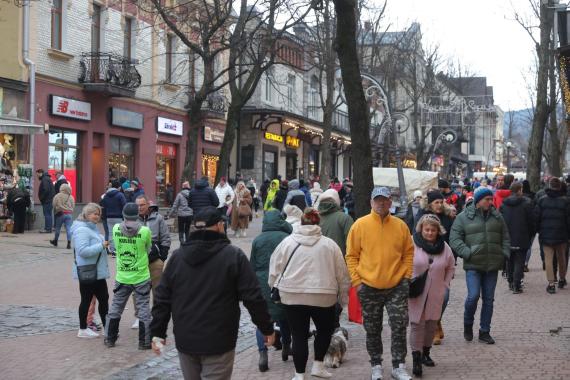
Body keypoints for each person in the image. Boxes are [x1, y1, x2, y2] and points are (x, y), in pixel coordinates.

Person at [150, 206, 275, 379]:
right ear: (219, 226)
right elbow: (253, 297)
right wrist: (266, 328)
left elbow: (162, 298)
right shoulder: (233, 256)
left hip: (187, 338)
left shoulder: (177, 257)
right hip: (219, 340)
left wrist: (157, 332)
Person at [269, 208, 351, 380]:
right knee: (324, 331)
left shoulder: (287, 243)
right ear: (318, 223)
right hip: (324, 297)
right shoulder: (330, 245)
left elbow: (274, 270)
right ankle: (318, 365)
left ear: (301, 222)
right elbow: (342, 274)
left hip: (292, 296)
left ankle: (299, 375)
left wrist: (275, 287)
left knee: (298, 334)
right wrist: (343, 298)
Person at [346, 187, 414, 380]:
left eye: (385, 200)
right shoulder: (359, 225)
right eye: (378, 200)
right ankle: (376, 364)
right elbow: (351, 256)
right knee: (373, 328)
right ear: (371, 202)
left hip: (397, 285)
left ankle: (398, 365)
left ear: (390, 203)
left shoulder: (400, 226)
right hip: (368, 285)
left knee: (399, 324)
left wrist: (406, 276)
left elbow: (409, 252)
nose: (381, 203)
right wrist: (357, 282)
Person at [450, 186, 510, 344]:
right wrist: (468, 253)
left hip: (492, 264)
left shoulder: (497, 217)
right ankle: (468, 324)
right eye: (487, 199)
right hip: (473, 265)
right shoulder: (463, 217)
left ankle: (485, 331)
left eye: (491, 199)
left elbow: (505, 237)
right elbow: (455, 239)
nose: (490, 202)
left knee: (489, 300)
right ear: (478, 201)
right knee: (473, 296)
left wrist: (504, 253)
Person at [409, 214, 455, 377]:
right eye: (427, 229)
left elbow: (451, 266)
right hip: (416, 290)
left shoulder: (445, 247)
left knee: (431, 324)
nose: (429, 233)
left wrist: (445, 284)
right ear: (421, 229)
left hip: (436, 291)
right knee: (417, 324)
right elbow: (403, 261)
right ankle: (416, 358)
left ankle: (426, 353)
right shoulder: (411, 243)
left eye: (433, 230)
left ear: (438, 231)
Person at [250, 210, 294, 372]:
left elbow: (251, 266)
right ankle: (286, 347)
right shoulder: (286, 239)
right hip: (282, 282)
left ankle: (263, 354)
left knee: (262, 320)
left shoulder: (257, 240)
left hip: (262, 284)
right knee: (285, 317)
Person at [105, 203, 153, 349]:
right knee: (143, 308)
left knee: (116, 307)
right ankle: (144, 343)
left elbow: (115, 246)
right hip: (141, 276)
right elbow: (148, 249)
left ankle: (109, 338)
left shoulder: (115, 228)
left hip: (122, 276)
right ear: (137, 215)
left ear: (124, 215)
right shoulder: (145, 231)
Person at [70, 203, 110, 339]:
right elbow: (82, 251)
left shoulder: (92, 228)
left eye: (98, 214)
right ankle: (83, 329)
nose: (97, 216)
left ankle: (107, 328)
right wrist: (101, 246)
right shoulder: (82, 230)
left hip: (97, 272)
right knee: (86, 300)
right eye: (94, 213)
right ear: (87, 214)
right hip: (89, 272)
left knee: (104, 299)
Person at [535, 177, 570, 293]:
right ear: (559, 186)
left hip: (546, 234)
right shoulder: (565, 201)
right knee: (562, 258)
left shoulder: (542, 200)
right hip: (562, 234)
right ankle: (562, 278)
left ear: (549, 186)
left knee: (548, 259)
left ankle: (551, 283)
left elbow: (537, 218)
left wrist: (538, 230)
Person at [500, 182, 535, 293]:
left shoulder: (504, 204)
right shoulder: (527, 203)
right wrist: (530, 234)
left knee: (510, 260)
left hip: (507, 236)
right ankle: (516, 284)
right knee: (520, 261)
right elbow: (531, 222)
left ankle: (510, 282)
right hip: (522, 235)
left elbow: (500, 221)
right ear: (520, 190)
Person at [136, 196, 170, 298]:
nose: (139, 207)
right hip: (138, 262)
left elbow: (165, 237)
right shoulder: (133, 219)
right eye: (137, 205)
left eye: (142, 205)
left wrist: (162, 257)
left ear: (148, 205)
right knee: (139, 292)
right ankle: (141, 314)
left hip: (155, 261)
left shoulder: (158, 218)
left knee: (158, 292)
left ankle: (158, 313)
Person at [100, 180, 127, 254]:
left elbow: (103, 205)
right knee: (120, 233)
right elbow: (124, 205)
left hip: (109, 217)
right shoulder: (120, 195)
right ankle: (118, 248)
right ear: (118, 187)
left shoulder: (106, 195)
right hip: (118, 217)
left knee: (111, 233)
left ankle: (112, 249)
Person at [50, 183, 75, 248]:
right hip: (69, 214)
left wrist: (56, 209)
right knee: (68, 228)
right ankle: (69, 243)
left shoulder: (57, 196)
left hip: (60, 213)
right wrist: (70, 209)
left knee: (58, 228)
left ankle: (55, 241)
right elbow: (73, 206)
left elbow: (54, 204)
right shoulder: (71, 197)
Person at [36, 169, 55, 233]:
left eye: (37, 174)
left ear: (40, 173)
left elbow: (45, 190)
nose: (37, 176)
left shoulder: (45, 179)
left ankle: (48, 229)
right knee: (49, 214)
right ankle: (48, 228)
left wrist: (42, 198)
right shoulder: (47, 178)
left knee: (47, 214)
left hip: (47, 200)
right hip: (49, 200)